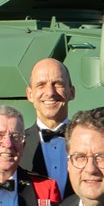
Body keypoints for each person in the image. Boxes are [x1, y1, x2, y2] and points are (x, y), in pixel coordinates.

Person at [21, 57, 74, 194]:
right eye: (41, 85)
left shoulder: (88, 143)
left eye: (58, 84)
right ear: (30, 94)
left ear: (72, 92)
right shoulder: (17, 146)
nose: (50, 92)